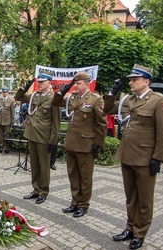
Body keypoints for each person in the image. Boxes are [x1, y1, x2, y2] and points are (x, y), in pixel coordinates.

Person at [103, 64, 163, 250]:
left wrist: (158, 158)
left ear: (146, 81)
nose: (131, 82)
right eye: (130, 80)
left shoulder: (158, 101)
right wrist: (112, 92)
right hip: (127, 155)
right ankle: (130, 227)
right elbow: (107, 109)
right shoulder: (128, 99)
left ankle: (140, 232)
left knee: (144, 199)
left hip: (145, 158)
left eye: (135, 79)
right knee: (130, 196)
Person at [52, 72, 107, 217]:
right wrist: (64, 89)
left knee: (85, 177)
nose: (76, 86)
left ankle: (83, 204)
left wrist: (98, 144)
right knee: (73, 175)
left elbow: (102, 124)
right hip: (71, 143)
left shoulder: (95, 99)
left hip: (86, 145)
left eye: (78, 83)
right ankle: (74, 202)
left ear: (87, 84)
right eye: (74, 83)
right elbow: (55, 102)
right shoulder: (72, 97)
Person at [15, 70, 61, 204]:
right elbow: (19, 97)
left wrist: (53, 140)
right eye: (38, 82)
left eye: (42, 82)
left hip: (44, 137)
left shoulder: (54, 98)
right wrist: (25, 87)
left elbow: (56, 123)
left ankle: (43, 191)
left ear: (49, 83)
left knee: (44, 166)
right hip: (32, 134)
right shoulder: (35, 95)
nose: (39, 84)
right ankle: (35, 189)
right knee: (34, 165)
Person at [0, 86, 15, 153]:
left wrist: (12, 120)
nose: (4, 93)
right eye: (3, 92)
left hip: (7, 120)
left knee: (7, 134)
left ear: (8, 93)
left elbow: (12, 111)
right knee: (0, 134)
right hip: (0, 120)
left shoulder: (11, 101)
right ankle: (1, 147)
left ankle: (6, 147)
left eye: (5, 92)